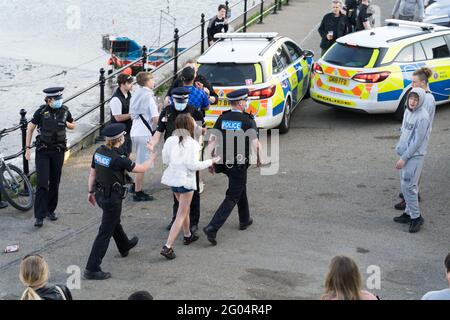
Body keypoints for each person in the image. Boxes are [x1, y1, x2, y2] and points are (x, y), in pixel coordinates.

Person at [84, 123, 157, 280]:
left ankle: (124, 245)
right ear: (120, 139)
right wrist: (152, 158)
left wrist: (90, 192)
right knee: (105, 232)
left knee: (113, 222)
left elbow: (92, 174)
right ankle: (92, 268)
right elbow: (142, 168)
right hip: (112, 199)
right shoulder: (118, 159)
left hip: (100, 195)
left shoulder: (98, 152)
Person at [203, 89, 262, 246]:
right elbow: (256, 144)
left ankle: (244, 219)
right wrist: (260, 159)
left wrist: (210, 160)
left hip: (223, 162)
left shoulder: (222, 118)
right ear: (241, 102)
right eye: (246, 100)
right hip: (238, 164)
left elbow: (212, 140)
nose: (246, 103)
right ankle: (212, 227)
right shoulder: (248, 120)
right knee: (232, 196)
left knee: (239, 187)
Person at [160, 114, 220, 259]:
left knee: (184, 210)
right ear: (190, 126)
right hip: (186, 182)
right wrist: (211, 161)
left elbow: (165, 160)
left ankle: (187, 236)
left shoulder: (169, 140)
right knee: (181, 214)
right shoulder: (192, 143)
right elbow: (194, 166)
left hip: (173, 180)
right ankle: (168, 246)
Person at [149, 87, 206, 234]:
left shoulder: (194, 111)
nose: (180, 103)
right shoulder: (167, 111)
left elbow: (201, 132)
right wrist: (152, 144)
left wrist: (199, 145)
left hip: (190, 154)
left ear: (187, 99)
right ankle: (177, 218)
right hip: (173, 155)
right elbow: (159, 131)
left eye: (183, 100)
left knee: (192, 189)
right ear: (173, 99)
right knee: (176, 187)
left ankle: (193, 222)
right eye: (177, 100)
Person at [25, 87, 76, 228]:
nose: (59, 101)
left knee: (55, 182)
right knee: (42, 183)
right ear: (49, 100)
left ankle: (50, 210)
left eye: (60, 98)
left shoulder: (65, 111)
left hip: (58, 151)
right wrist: (27, 149)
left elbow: (73, 125)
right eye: (56, 99)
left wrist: (66, 123)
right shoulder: (41, 112)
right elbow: (30, 129)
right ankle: (39, 216)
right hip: (43, 152)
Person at [395, 67, 435, 211]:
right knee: (408, 175)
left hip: (417, 144)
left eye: (414, 82)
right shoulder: (418, 95)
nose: (412, 85)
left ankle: (410, 202)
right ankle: (408, 199)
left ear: (423, 83)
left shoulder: (428, 99)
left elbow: (422, 128)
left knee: (412, 176)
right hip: (409, 142)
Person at [393, 88, 430, 233]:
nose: (413, 102)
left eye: (416, 99)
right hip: (405, 154)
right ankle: (408, 213)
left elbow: (417, 142)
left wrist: (404, 158)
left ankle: (416, 217)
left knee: (410, 187)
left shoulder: (423, 117)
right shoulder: (408, 111)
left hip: (414, 157)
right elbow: (405, 131)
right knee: (404, 185)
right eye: (411, 99)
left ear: (420, 100)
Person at [130, 71, 159, 202]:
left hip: (135, 130)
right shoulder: (149, 97)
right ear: (147, 81)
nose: (154, 81)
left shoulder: (136, 94)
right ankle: (138, 191)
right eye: (152, 79)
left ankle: (135, 186)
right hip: (143, 133)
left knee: (139, 160)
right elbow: (155, 118)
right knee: (142, 164)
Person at [110, 73, 134, 158]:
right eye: (129, 83)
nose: (132, 84)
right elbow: (118, 117)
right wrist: (133, 114)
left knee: (128, 151)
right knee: (119, 155)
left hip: (128, 130)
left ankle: (124, 171)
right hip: (118, 134)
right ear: (122, 84)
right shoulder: (116, 99)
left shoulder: (129, 95)